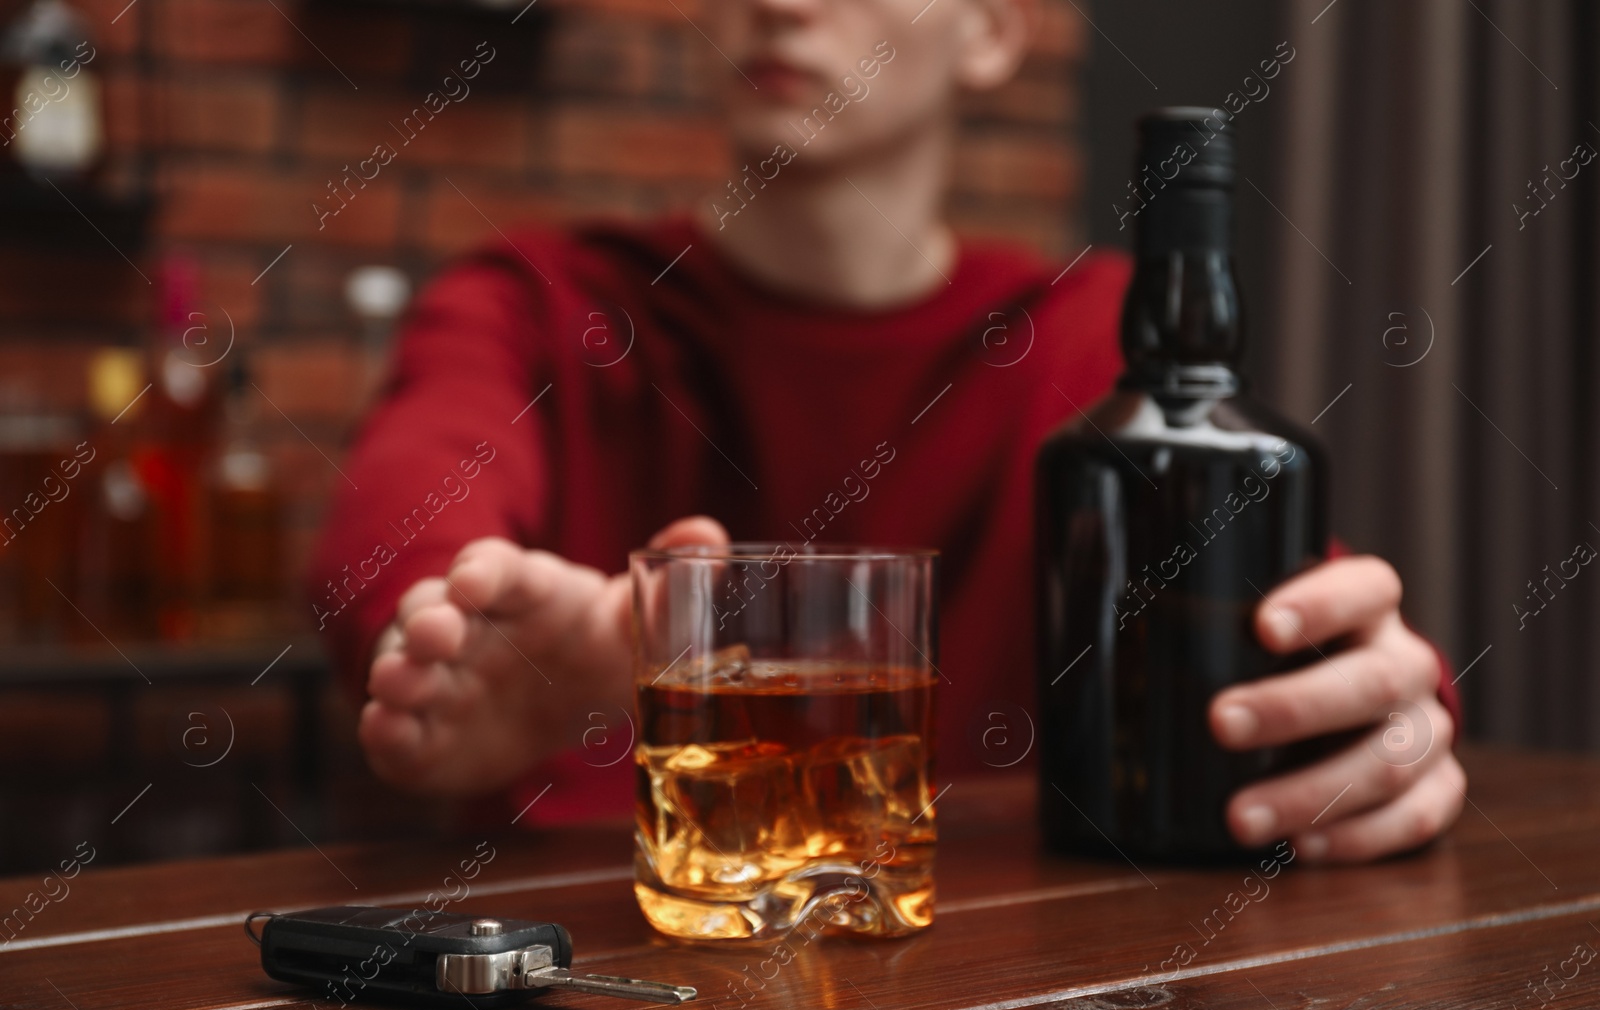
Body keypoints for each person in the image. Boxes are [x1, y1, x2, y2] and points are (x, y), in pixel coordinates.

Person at [310, 0, 1466, 863]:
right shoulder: (533, 301)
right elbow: (401, 539)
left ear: (995, 30)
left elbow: (1306, 632)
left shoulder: (1094, 346)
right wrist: (462, 649)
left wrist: (1375, 710)